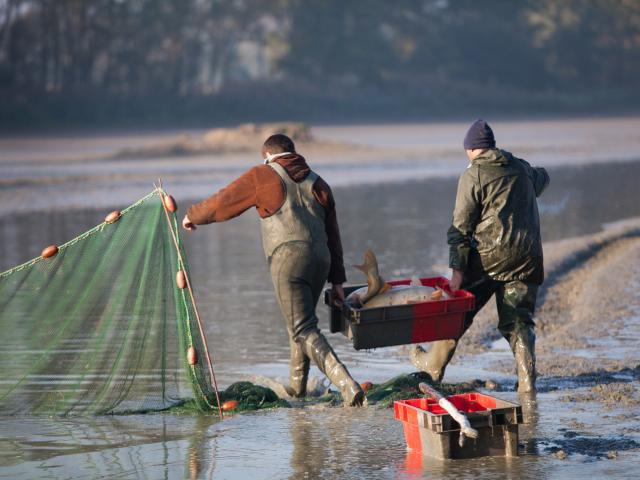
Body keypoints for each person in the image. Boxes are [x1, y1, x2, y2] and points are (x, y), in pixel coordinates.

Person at [182, 134, 365, 406]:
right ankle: (297, 390)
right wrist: (337, 279)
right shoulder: (319, 183)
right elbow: (333, 234)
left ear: (267, 156)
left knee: (303, 327)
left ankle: (348, 387)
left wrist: (192, 215)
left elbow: (224, 202)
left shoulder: (263, 175)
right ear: (293, 153)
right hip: (321, 260)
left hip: (288, 259)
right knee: (300, 325)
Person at [411, 119, 550, 393]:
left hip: (488, 259)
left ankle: (432, 366)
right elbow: (543, 177)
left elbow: (460, 228)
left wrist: (457, 271)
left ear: (472, 150)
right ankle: (527, 383)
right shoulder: (520, 168)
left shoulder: (472, 175)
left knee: (456, 313)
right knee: (519, 321)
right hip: (526, 258)